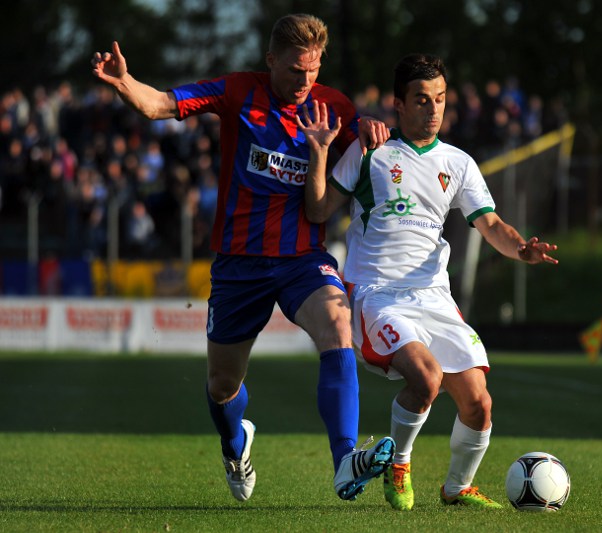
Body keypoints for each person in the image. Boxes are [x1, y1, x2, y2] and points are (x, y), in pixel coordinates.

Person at [91, 13, 396, 503]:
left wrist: (375, 128)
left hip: (302, 260)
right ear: (270, 60)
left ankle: (345, 461)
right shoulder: (237, 91)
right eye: (295, 69)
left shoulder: (333, 106)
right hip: (239, 264)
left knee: (337, 325)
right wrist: (124, 82)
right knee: (221, 385)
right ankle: (236, 445)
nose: (305, 80)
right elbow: (161, 104)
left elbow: (373, 144)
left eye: (314, 69)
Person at [297, 53, 558, 510]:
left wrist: (521, 249)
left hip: (435, 296)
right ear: (398, 104)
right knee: (425, 378)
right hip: (377, 293)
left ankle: (457, 486)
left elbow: (491, 224)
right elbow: (318, 211)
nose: (433, 108)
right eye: (422, 99)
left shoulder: (458, 162)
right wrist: (320, 152)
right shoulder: (369, 151)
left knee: (479, 404)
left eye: (439, 98)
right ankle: (398, 464)